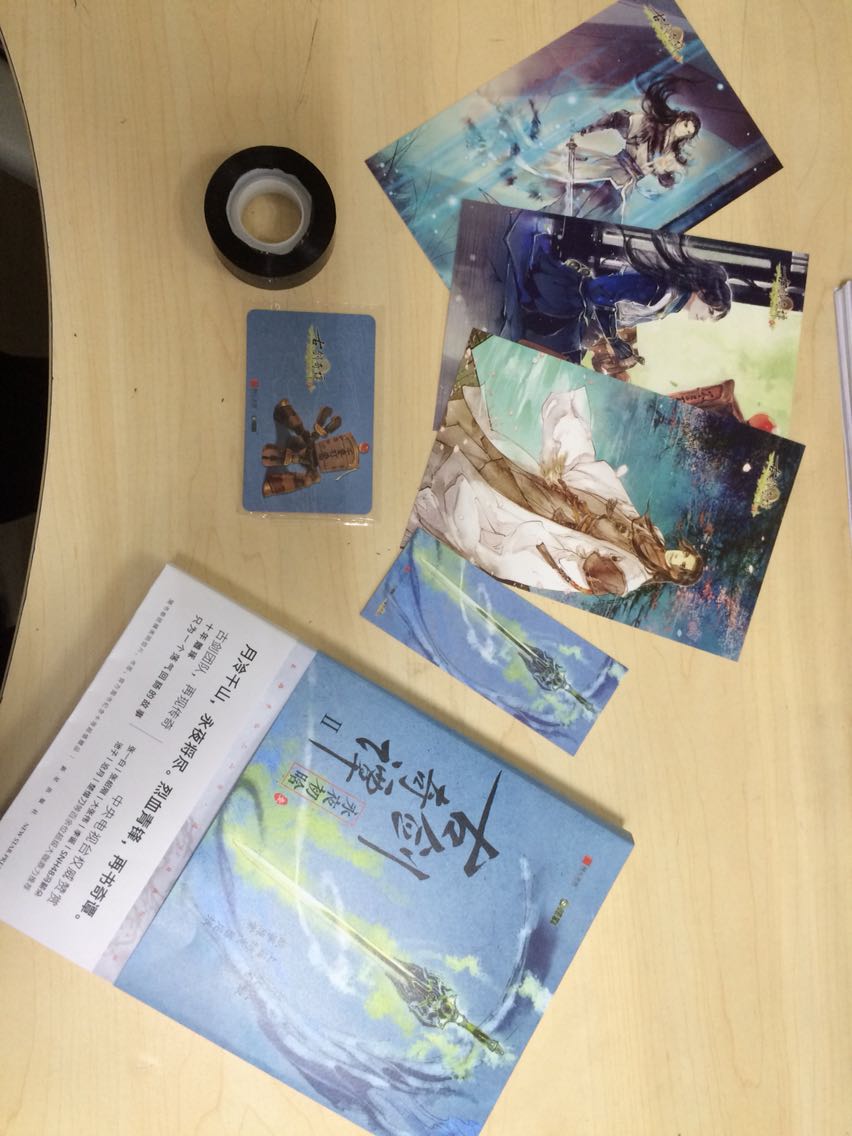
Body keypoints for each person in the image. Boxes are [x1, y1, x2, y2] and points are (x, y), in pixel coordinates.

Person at [411, 381, 703, 598]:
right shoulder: (655, 537)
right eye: (683, 555)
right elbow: (622, 509)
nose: (676, 558)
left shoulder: (632, 578)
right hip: (575, 502)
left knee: (502, 480)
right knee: (512, 465)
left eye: (681, 566)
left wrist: (576, 546)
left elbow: (588, 568)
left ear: (675, 576)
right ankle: (453, 417)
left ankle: (444, 436)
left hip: (561, 524)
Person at [502, 221, 732, 365]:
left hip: (580, 312)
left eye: (711, 317)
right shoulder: (662, 291)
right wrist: (613, 339)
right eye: (711, 311)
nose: (706, 318)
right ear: (703, 291)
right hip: (569, 300)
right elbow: (598, 292)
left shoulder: (670, 303)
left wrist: (613, 339)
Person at [518, 78, 702, 219]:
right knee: (575, 201)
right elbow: (617, 120)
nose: (683, 132)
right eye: (686, 126)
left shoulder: (671, 153)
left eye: (688, 133)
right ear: (680, 119)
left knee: (598, 214)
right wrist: (590, 127)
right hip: (613, 170)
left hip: (625, 186)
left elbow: (665, 180)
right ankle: (539, 219)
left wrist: (665, 174)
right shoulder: (648, 125)